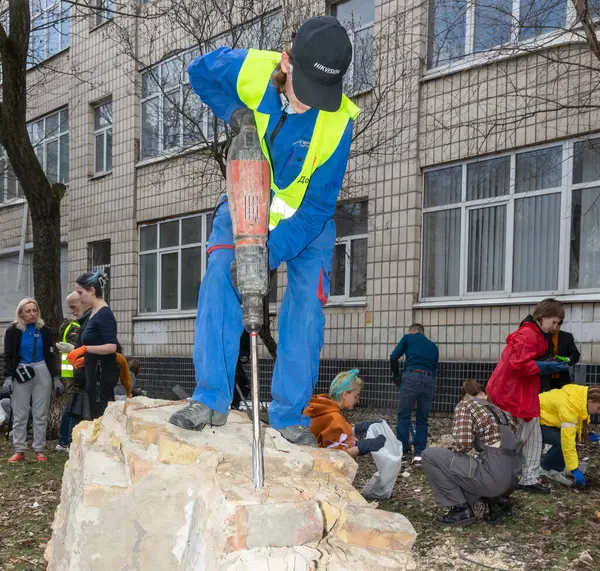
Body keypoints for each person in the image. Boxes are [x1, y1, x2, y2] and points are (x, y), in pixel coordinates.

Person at [168, 16, 359, 446]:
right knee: (221, 276)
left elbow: (319, 207)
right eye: (304, 89)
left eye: (321, 95)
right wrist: (234, 112)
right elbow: (199, 73)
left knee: (307, 310)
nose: (311, 104)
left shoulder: (339, 121)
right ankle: (211, 398)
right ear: (287, 63)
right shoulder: (251, 68)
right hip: (243, 200)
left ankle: (289, 415)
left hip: (305, 225)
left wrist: (267, 255)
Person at [486, 298, 569, 494]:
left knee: (516, 436)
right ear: (542, 316)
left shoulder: (531, 333)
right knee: (528, 436)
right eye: (554, 321)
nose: (556, 327)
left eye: (559, 323)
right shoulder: (529, 334)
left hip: (512, 390)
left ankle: (504, 473)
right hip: (514, 391)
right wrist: (544, 366)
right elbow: (518, 363)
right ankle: (525, 477)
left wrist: (544, 364)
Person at [422, 381, 520, 526]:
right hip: (513, 478)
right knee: (473, 463)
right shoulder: (501, 412)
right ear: (484, 394)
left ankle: (460, 509)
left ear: (465, 395)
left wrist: (445, 446)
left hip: (495, 479)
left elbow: (463, 444)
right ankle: (495, 502)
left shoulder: (466, 405)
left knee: (429, 456)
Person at [3, 298, 63, 462]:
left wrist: (56, 377)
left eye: (34, 310)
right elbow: (8, 356)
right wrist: (8, 377)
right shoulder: (13, 331)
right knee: (20, 412)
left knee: (40, 413)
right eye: (28, 311)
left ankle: (39, 449)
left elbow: (51, 356)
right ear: (21, 313)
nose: (32, 314)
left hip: (42, 369)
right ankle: (19, 449)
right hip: (21, 371)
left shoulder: (44, 330)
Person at [66, 272, 118, 420]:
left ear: (92, 290)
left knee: (101, 416)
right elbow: (97, 341)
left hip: (101, 376)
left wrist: (85, 349)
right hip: (93, 373)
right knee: (95, 415)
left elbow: (111, 347)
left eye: (80, 292)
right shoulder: (94, 312)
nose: (79, 296)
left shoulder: (104, 314)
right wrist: (86, 357)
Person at [304, 369, 386, 458]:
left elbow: (335, 433)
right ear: (345, 394)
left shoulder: (324, 405)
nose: (358, 401)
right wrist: (363, 447)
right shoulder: (334, 416)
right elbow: (335, 455)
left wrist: (359, 428)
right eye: (356, 396)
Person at [390, 324, 439, 464]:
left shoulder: (408, 338)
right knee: (422, 419)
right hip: (429, 380)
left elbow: (393, 357)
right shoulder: (433, 346)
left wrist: (396, 376)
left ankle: (403, 453)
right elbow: (434, 367)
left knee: (404, 415)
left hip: (411, 378)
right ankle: (419, 455)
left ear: (413, 331)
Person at [539, 384, 600, 487]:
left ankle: (556, 470)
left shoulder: (580, 400)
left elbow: (575, 424)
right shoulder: (570, 405)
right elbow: (567, 439)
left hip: (547, 421)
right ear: (590, 402)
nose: (599, 412)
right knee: (562, 441)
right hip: (534, 420)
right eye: (598, 408)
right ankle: (544, 469)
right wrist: (574, 469)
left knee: (569, 439)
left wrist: (585, 434)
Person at [55, 291, 91, 452]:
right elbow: (78, 349)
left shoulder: (71, 324)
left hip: (70, 370)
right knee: (74, 406)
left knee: (71, 406)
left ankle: (64, 440)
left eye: (73, 306)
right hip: (76, 370)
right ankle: (68, 440)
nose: (72, 311)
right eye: (70, 307)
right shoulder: (77, 327)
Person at [540, 321, 580, 392]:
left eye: (559, 323)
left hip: (562, 378)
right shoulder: (541, 336)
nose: (556, 326)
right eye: (554, 323)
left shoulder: (567, 337)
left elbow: (575, 354)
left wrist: (568, 359)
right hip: (544, 378)